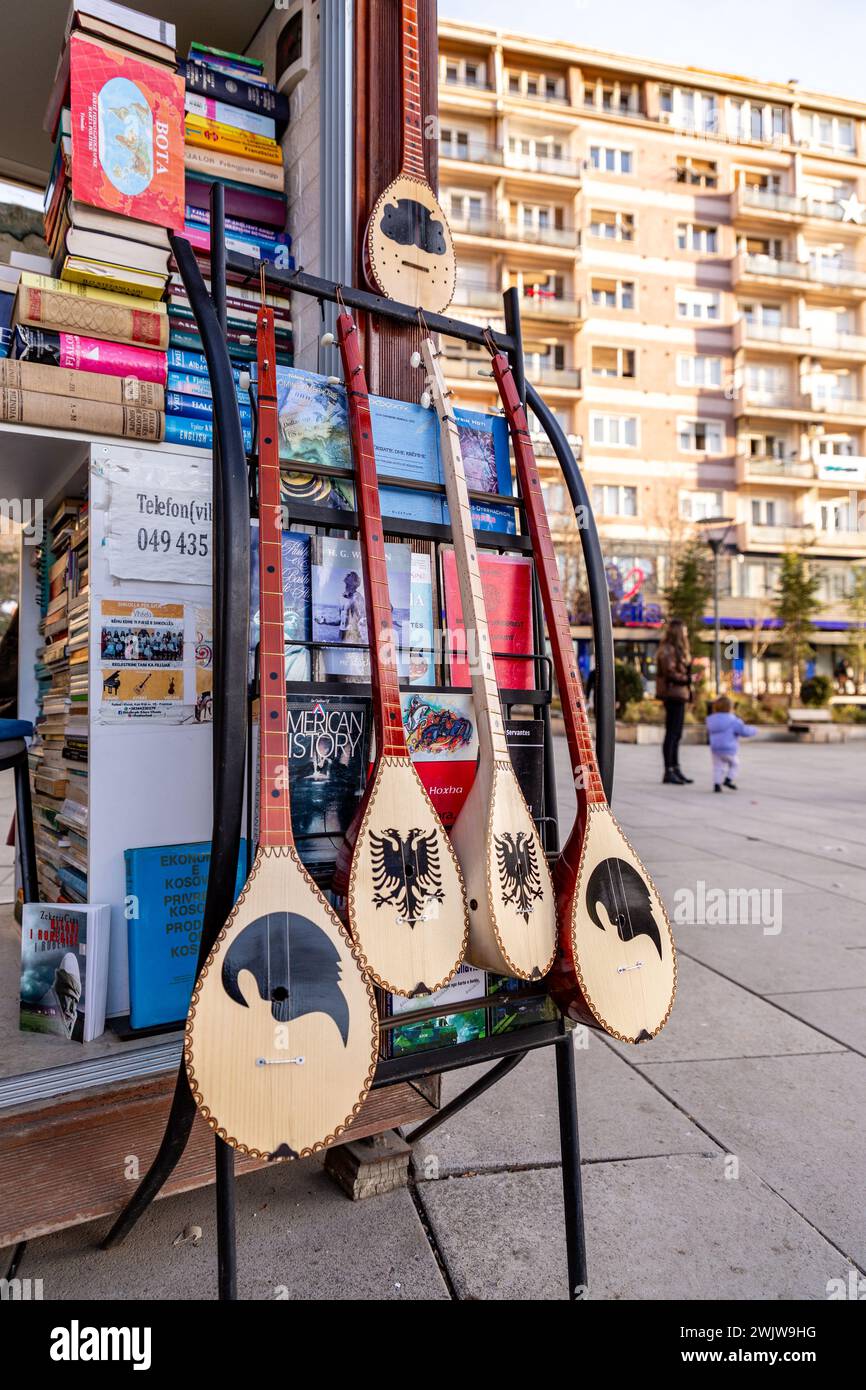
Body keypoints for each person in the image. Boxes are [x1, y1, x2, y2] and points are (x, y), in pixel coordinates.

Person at [655, 618, 693, 785]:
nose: (686, 633)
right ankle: (668, 770)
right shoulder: (668, 650)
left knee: (676, 734)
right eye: (684, 630)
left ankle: (675, 768)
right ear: (678, 632)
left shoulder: (676, 650)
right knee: (672, 734)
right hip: (673, 694)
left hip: (679, 694)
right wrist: (688, 678)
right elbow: (670, 673)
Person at [705, 696, 756, 792]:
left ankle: (717, 785)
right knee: (735, 764)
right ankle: (728, 779)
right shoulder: (734, 720)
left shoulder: (711, 720)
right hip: (729, 749)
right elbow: (744, 731)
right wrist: (754, 730)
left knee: (718, 767)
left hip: (715, 749)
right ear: (731, 708)